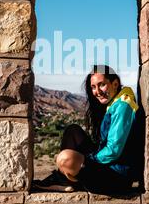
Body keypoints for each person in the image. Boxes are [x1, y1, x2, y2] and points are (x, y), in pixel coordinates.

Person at [32, 65, 139, 195]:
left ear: (115, 83)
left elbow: (113, 151)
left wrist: (87, 159)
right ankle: (64, 181)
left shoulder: (123, 105)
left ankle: (64, 180)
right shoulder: (115, 103)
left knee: (66, 158)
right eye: (93, 87)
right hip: (108, 167)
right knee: (73, 131)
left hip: (117, 177)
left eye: (102, 85)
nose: (97, 91)